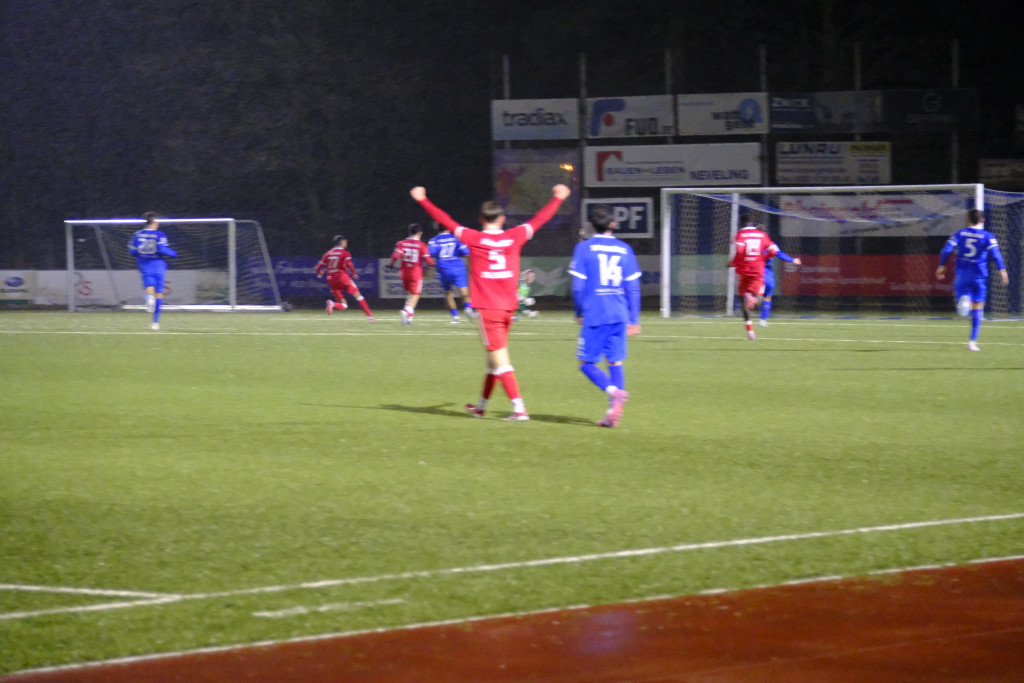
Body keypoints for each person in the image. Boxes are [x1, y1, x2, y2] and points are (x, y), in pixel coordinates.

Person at [410, 183, 571, 421]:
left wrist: (423, 199)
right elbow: (540, 219)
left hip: (488, 309)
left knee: (501, 361)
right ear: (502, 219)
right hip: (508, 308)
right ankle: (481, 406)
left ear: (481, 219)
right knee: (493, 360)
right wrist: (558, 198)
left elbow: (445, 220)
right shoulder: (514, 235)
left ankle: (519, 409)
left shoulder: (473, 237)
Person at [569, 205, 641, 427]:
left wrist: (579, 311)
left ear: (591, 225)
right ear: (613, 224)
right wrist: (634, 319)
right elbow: (633, 288)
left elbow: (578, 287)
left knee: (586, 363)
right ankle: (612, 414)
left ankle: (614, 392)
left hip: (596, 313)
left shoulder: (584, 248)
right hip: (619, 313)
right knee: (615, 361)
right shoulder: (625, 249)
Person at [935, 208, 1009, 351]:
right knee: (978, 307)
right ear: (983, 220)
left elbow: (946, 249)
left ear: (968, 220)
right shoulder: (988, 236)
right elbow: (996, 254)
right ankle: (972, 342)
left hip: (962, 274)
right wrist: (1002, 270)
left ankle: (964, 302)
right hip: (979, 275)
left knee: (964, 303)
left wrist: (941, 265)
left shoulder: (960, 233)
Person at [728, 213, 780, 340]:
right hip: (758, 270)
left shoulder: (740, 234)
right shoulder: (762, 235)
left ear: (741, 224)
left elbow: (740, 251)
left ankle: (750, 332)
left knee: (742, 301)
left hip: (744, 270)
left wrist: (733, 263)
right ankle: (753, 299)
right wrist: (763, 258)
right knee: (760, 297)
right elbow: (774, 251)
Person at [127, 211, 177, 330]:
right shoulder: (160, 234)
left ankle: (149, 298)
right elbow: (161, 248)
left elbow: (132, 251)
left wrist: (141, 253)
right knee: (159, 293)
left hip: (144, 263)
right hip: (158, 264)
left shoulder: (137, 234)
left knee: (149, 285)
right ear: (153, 222)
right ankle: (155, 323)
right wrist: (174, 254)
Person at [315, 234, 375, 321]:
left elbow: (318, 267)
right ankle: (370, 317)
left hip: (331, 280)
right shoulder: (345, 253)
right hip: (342, 278)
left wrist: (319, 273)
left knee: (344, 305)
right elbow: (349, 265)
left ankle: (332, 304)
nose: (346, 243)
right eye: (345, 242)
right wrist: (354, 273)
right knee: (359, 297)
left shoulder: (328, 253)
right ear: (341, 242)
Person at [427, 224, 475, 323]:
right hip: (458, 267)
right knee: (464, 292)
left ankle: (455, 317)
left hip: (443, 268)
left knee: (448, 293)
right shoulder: (456, 238)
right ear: (448, 228)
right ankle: (468, 309)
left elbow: (430, 252)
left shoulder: (434, 240)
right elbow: (466, 251)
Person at [389, 223, 435, 325]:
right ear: (420, 233)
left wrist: (391, 264)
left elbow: (395, 256)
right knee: (415, 295)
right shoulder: (422, 245)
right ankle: (406, 311)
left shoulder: (401, 243)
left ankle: (409, 317)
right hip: (415, 272)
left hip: (404, 272)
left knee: (410, 294)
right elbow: (428, 260)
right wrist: (432, 265)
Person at [758, 224, 801, 327]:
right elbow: (780, 254)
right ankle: (763, 321)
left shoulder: (753, 244)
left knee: (757, 296)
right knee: (767, 297)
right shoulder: (770, 243)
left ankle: (752, 306)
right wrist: (792, 260)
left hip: (756, 272)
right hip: (767, 274)